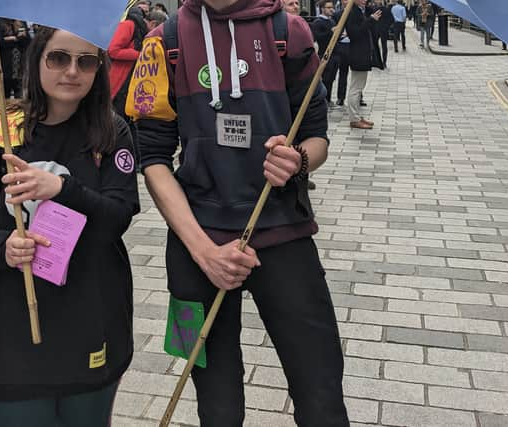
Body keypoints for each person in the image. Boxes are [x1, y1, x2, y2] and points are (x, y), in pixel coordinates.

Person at [126, 0, 348, 425]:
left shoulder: (291, 31)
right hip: (193, 253)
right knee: (214, 401)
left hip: (285, 236)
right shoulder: (161, 42)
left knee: (321, 393)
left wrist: (298, 159)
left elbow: (317, 135)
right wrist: (204, 251)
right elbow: (151, 157)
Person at [0, 27, 139, 426]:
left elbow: (118, 218)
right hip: (12, 327)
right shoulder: (0, 132)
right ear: (37, 61)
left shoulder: (111, 131)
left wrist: (63, 189)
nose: (72, 71)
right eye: (58, 58)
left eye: (85, 61)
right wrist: (3, 247)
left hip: (92, 317)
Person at [108, 7, 165, 118]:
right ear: (153, 24)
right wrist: (141, 55)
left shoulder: (141, 31)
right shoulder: (129, 25)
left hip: (129, 85)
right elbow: (113, 50)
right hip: (118, 83)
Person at [346, 0, 381, 129]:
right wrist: (370, 20)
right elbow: (355, 33)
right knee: (356, 87)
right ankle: (354, 118)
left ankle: (356, 115)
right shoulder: (352, 12)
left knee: (359, 86)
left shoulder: (361, 11)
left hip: (363, 54)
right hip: (357, 54)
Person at [0, 18, 30, 99]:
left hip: (20, 60)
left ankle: (19, 105)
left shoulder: (21, 22)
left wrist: (19, 37)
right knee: (6, 84)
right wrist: (13, 39)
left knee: (19, 85)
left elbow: (27, 41)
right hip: (6, 58)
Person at [371, 0, 392, 68]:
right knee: (384, 46)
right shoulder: (387, 10)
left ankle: (375, 61)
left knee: (375, 45)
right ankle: (384, 62)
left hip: (376, 29)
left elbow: (372, 20)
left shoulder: (375, 9)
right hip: (384, 30)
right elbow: (391, 19)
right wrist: (387, 26)